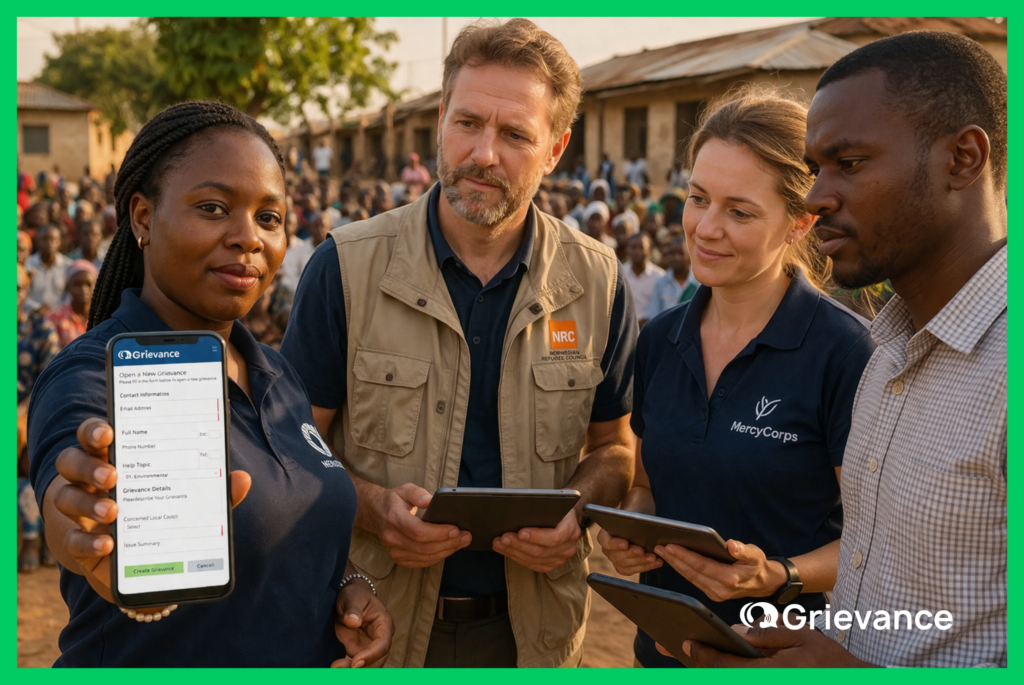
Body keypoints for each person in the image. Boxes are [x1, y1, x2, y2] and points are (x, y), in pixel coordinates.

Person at [280, 18, 637, 669]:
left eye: (515, 135)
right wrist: (374, 508)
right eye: (468, 123)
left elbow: (615, 447)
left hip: (534, 641)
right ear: (442, 119)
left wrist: (579, 509)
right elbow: (293, 453)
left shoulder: (597, 281)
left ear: (555, 149)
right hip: (376, 631)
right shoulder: (347, 269)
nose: (484, 153)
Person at [26, 101, 393, 667]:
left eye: (268, 218)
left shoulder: (277, 372)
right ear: (143, 218)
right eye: (214, 207)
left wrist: (343, 584)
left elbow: (283, 517)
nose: (248, 238)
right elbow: (71, 481)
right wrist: (81, 529)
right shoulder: (96, 373)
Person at [684, 31, 1007, 669]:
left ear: (962, 160)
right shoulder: (887, 351)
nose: (815, 198)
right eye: (815, 169)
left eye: (849, 163)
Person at [599, 89, 875, 668]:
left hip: (779, 658)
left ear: (800, 222)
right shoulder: (660, 340)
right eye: (698, 198)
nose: (705, 228)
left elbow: (876, 541)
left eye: (739, 211)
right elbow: (649, 485)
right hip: (663, 652)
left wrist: (779, 573)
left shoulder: (845, 352)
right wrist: (633, 532)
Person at [643, 235, 699, 325]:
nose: (676, 257)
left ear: (689, 255)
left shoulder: (699, 282)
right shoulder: (661, 282)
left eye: (681, 253)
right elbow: (653, 315)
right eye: (672, 253)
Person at [47, 260, 98, 349]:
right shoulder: (55, 317)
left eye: (89, 284)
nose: (84, 290)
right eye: (77, 285)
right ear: (68, 287)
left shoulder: (103, 316)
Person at [24, 224, 71, 314]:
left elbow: (70, 295)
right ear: (37, 242)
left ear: (60, 242)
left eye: (53, 239)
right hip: (31, 314)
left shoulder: (68, 266)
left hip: (60, 315)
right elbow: (20, 292)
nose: (49, 243)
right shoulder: (27, 264)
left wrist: (55, 310)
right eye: (44, 239)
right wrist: (37, 308)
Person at [621, 233, 664, 320]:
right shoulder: (621, 273)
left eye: (641, 248)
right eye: (633, 247)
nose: (637, 252)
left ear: (649, 250)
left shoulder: (659, 276)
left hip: (650, 326)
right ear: (628, 249)